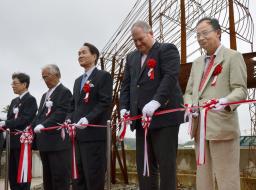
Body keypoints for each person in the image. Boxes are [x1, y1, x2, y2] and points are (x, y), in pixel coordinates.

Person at [184, 17, 247, 190]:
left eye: (205, 33)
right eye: (197, 35)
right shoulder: (197, 63)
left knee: (227, 179)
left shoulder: (233, 57)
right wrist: (190, 106)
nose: (200, 38)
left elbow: (241, 90)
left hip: (222, 127)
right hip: (199, 129)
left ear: (218, 33)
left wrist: (225, 101)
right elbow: (188, 92)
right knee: (203, 180)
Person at [120, 20, 184, 190]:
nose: (138, 43)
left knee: (166, 166)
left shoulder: (166, 50)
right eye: (135, 41)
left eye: (141, 39)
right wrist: (124, 108)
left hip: (165, 118)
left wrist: (156, 101)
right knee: (145, 167)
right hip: (141, 120)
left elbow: (170, 77)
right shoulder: (131, 57)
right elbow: (127, 85)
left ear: (151, 33)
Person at [68, 42, 113, 190]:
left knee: (93, 176)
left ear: (94, 56)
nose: (80, 55)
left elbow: (105, 102)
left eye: (83, 52)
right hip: (78, 137)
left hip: (94, 136)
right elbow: (73, 105)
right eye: (78, 53)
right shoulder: (76, 82)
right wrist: (69, 119)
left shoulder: (103, 76)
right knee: (78, 177)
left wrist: (88, 118)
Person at [32, 64, 72, 190]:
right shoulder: (45, 95)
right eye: (43, 77)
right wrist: (31, 126)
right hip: (44, 142)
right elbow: (39, 114)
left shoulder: (64, 92)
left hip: (57, 143)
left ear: (57, 75)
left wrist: (43, 125)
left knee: (59, 177)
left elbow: (61, 113)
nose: (45, 80)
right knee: (48, 178)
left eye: (47, 76)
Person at [0, 72, 37, 190]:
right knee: (12, 173)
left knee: (23, 174)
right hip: (12, 142)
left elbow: (25, 119)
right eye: (12, 83)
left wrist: (6, 123)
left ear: (24, 84)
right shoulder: (14, 101)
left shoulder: (31, 100)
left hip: (23, 142)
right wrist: (4, 123)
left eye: (15, 83)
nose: (13, 86)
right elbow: (10, 118)